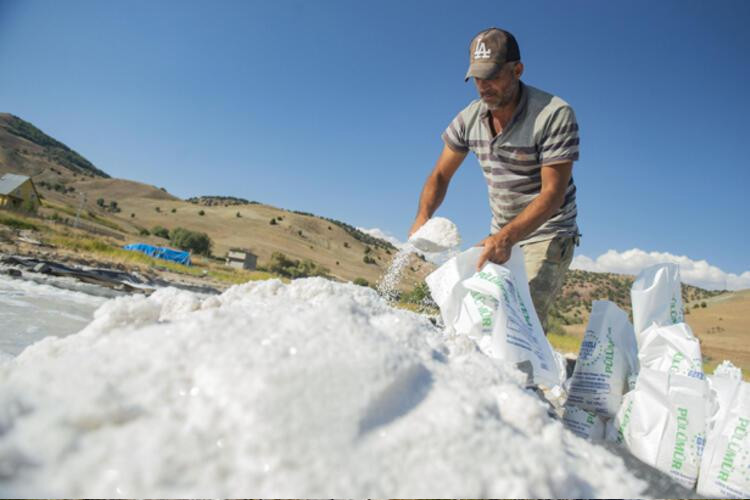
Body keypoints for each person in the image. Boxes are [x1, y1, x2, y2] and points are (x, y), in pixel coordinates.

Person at [409, 27, 581, 333]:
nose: (483, 86)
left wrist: (507, 238)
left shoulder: (553, 114)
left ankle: (521, 380)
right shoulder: (469, 119)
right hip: (501, 230)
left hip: (548, 232)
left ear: (517, 70)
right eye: (477, 78)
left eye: (492, 76)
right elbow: (439, 174)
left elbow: (552, 194)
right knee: (478, 311)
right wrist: (423, 218)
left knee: (518, 318)